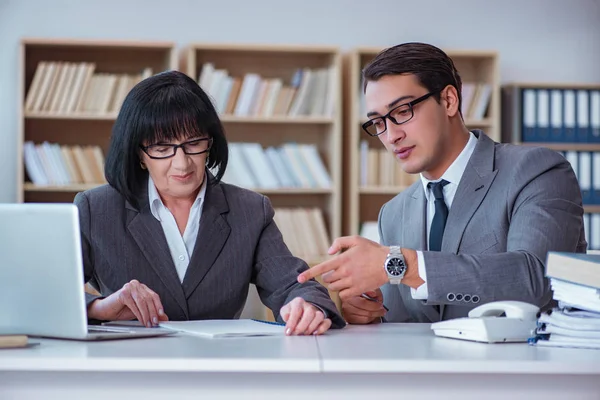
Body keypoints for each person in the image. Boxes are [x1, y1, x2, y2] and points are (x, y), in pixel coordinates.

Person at [298, 42, 586, 324]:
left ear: (449, 100)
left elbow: (535, 279)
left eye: (402, 112)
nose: (391, 135)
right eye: (378, 122)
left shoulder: (535, 170)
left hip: (523, 369)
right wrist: (369, 313)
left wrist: (402, 264)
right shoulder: (394, 213)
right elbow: (405, 322)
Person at [76, 70, 345, 335]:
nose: (181, 163)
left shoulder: (249, 210)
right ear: (139, 154)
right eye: (162, 148)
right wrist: (98, 308)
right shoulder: (96, 209)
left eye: (193, 144)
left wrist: (307, 306)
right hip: (128, 369)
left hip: (220, 368)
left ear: (210, 143)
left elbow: (293, 284)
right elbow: (44, 292)